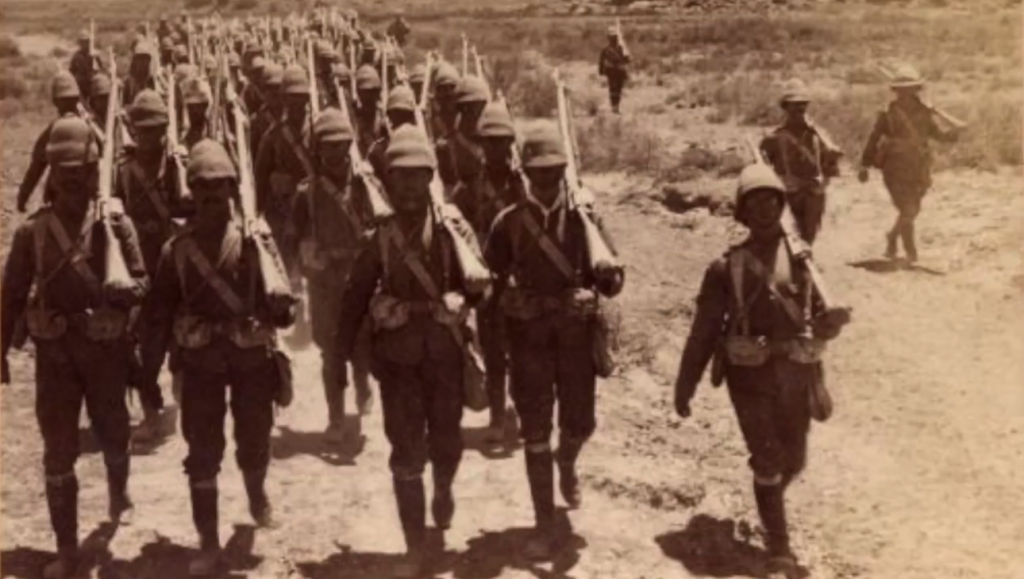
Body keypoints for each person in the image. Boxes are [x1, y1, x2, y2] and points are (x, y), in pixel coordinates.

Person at [673, 163, 847, 578]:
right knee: (768, 458)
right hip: (749, 376)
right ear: (743, 213)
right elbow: (703, 332)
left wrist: (830, 324)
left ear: (781, 206)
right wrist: (685, 384)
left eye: (772, 201)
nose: (765, 209)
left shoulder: (804, 260)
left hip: (797, 374)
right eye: (755, 203)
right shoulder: (725, 267)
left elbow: (819, 317)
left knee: (794, 460)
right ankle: (779, 548)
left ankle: (767, 500)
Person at [1, 117, 149, 579]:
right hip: (56, 359)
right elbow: (10, 295)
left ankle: (118, 493)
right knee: (58, 452)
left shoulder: (115, 225)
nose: (71, 180)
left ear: (91, 172)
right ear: (52, 172)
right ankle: (66, 549)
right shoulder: (32, 233)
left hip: (106, 354)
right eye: (62, 171)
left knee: (114, 433)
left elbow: (143, 284)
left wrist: (124, 295)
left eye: (79, 171)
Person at [335, 126, 484, 578]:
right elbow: (354, 299)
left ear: (430, 178)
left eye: (418, 175)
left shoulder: (453, 226)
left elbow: (483, 284)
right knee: (405, 450)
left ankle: (444, 488)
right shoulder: (379, 236)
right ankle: (414, 546)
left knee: (447, 442)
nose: (409, 185)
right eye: (400, 176)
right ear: (389, 180)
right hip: (397, 359)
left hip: (445, 354)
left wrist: (463, 299)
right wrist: (340, 358)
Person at [142, 139, 295, 577]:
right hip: (201, 364)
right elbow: (157, 316)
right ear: (191, 191)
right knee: (203, 452)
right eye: (202, 187)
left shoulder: (255, 240)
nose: (211, 195)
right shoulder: (176, 251)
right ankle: (208, 542)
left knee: (255, 440)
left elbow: (284, 312)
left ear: (232, 188)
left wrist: (278, 304)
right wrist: (148, 374)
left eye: (219, 185)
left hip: (251, 362)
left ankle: (257, 496)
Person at [484, 123, 624, 558]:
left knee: (581, 424)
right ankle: (544, 523)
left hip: (576, 340)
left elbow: (614, 282)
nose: (545, 180)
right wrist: (509, 302)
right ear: (525, 174)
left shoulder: (586, 218)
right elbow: (486, 284)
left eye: (553, 171)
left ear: (564, 171)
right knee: (535, 431)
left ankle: (567, 461)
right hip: (529, 342)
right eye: (537, 172)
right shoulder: (508, 223)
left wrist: (600, 283)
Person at [288, 109, 376, 442]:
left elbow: (384, 225)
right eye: (328, 145)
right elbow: (292, 238)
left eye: (341, 144)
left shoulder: (367, 184)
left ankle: (363, 382)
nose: (335, 152)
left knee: (363, 346)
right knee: (331, 351)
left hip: (361, 279)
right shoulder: (307, 192)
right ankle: (336, 417)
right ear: (318, 148)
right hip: (325, 283)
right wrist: (305, 263)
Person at [116, 89, 192, 441]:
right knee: (144, 346)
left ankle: (185, 397)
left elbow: (196, 211)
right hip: (140, 269)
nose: (150, 138)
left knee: (183, 339)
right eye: (143, 131)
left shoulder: (178, 165)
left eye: (156, 130)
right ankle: (151, 409)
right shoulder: (123, 170)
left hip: (176, 268)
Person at [858, 63, 960, 262]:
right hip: (894, 167)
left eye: (910, 89)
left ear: (916, 89)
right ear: (896, 91)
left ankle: (892, 236)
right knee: (907, 209)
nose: (905, 93)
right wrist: (864, 165)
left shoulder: (925, 112)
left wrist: (953, 132)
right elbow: (874, 138)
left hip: (919, 167)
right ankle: (910, 250)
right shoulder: (887, 113)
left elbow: (938, 135)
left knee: (913, 209)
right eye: (901, 90)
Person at [471, 102, 526, 441]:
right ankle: (495, 416)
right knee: (492, 352)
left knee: (521, 351)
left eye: (502, 141)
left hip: (521, 278)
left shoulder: (524, 184)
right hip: (488, 277)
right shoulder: (469, 188)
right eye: (489, 141)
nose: (495, 148)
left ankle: (517, 411)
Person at [759, 80, 842, 246]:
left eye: (803, 104)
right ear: (786, 108)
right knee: (790, 236)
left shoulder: (819, 135)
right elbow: (762, 169)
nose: (800, 108)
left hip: (813, 193)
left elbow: (831, 166)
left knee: (809, 235)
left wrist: (823, 182)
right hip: (788, 192)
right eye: (795, 104)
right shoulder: (773, 138)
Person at [16, 72, 86, 213]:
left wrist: (23, 198)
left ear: (55, 101)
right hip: (87, 198)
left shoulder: (52, 131)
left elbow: (36, 168)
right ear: (78, 99)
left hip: (63, 199)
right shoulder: (90, 127)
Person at [598, 27, 630, 114]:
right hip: (611, 72)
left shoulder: (621, 48)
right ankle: (614, 106)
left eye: (614, 37)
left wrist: (625, 52)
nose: (613, 39)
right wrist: (601, 72)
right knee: (613, 89)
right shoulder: (606, 50)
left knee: (618, 89)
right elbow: (601, 61)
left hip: (619, 71)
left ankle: (616, 106)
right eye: (611, 37)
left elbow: (627, 60)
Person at [69, 29, 102, 100]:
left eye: (86, 41)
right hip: (81, 85)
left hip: (93, 83)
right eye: (83, 42)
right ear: (80, 43)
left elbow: (101, 68)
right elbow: (72, 71)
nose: (85, 44)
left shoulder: (94, 55)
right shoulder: (77, 56)